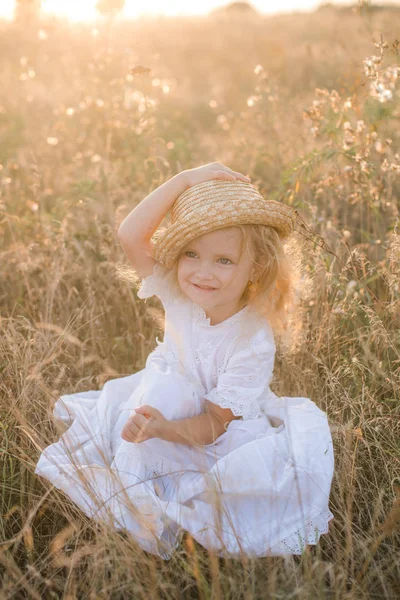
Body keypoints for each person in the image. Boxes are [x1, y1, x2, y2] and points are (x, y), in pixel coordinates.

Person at [35, 162, 335, 560]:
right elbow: (129, 234)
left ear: (255, 268)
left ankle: (158, 502)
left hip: (212, 434)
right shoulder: (179, 292)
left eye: (224, 260)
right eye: (191, 254)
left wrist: (163, 429)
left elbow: (213, 424)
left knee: (210, 491)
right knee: (156, 403)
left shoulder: (252, 341)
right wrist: (186, 179)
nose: (203, 273)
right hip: (164, 401)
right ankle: (139, 486)